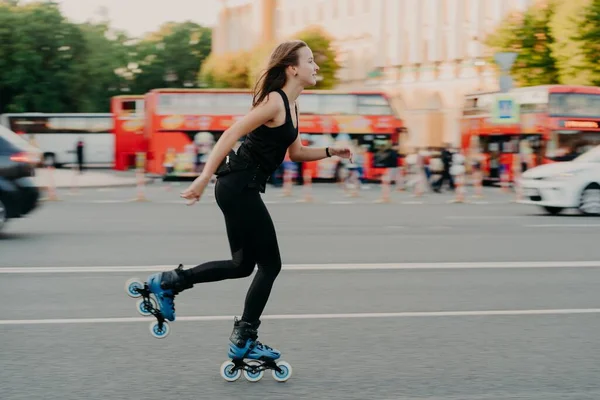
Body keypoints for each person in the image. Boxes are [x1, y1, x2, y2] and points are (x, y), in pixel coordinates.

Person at [145, 40, 352, 361]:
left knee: (243, 266)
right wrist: (202, 177)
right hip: (238, 184)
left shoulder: (293, 106)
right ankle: (245, 336)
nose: (317, 67)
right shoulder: (274, 102)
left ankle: (168, 283)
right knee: (271, 265)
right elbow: (229, 135)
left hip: (240, 187)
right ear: (292, 68)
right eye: (311, 61)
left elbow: (295, 153)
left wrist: (330, 151)